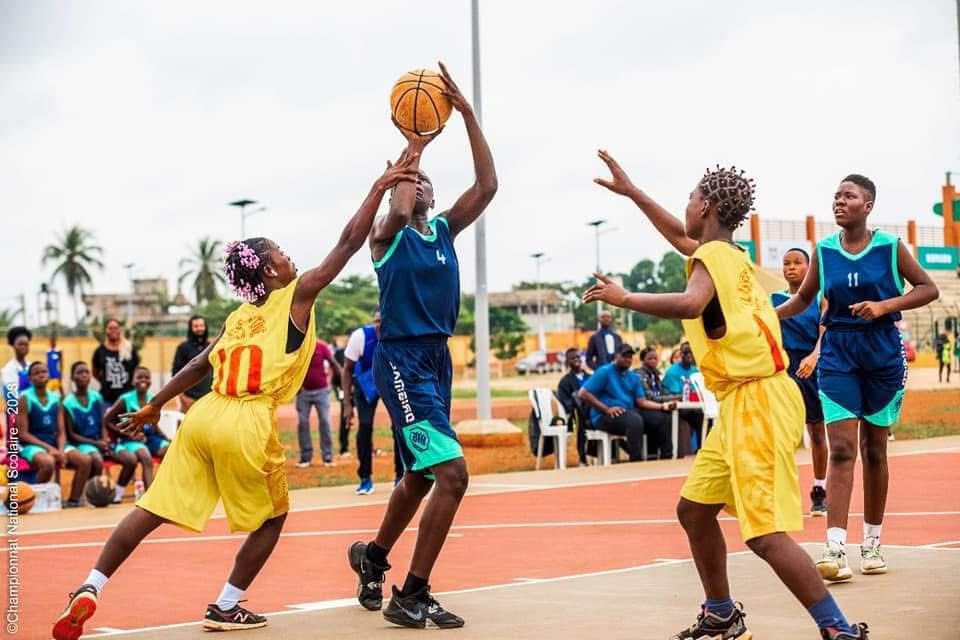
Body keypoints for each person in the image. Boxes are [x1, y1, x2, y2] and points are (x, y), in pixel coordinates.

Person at [52, 152, 420, 640]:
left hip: (203, 416)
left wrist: (155, 405)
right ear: (269, 271)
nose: (291, 258)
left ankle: (91, 583)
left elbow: (198, 364)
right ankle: (226, 605)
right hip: (246, 418)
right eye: (282, 253)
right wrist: (378, 187)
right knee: (273, 517)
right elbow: (350, 242)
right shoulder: (296, 295)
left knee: (151, 508)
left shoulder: (238, 316)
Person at [586, 150, 867, 639]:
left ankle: (838, 630)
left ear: (708, 208)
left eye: (692, 198)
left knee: (763, 534)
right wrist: (632, 192)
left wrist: (625, 297)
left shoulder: (711, 260)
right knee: (693, 510)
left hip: (756, 401)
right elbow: (681, 237)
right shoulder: (732, 258)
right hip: (747, 399)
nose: (687, 206)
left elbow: (692, 301)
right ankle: (721, 612)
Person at [348, 61, 497, 630]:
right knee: (453, 475)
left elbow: (488, 185)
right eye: (411, 180)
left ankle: (373, 558)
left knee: (419, 476)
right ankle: (412, 592)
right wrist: (413, 149)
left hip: (437, 360)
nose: (420, 184)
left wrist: (465, 114)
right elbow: (402, 205)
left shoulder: (444, 231)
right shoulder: (387, 238)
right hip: (403, 361)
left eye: (424, 180)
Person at [776, 174, 938, 584]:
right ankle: (834, 546)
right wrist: (764, 317)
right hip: (839, 354)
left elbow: (928, 288)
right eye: (836, 195)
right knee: (843, 448)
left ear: (868, 206)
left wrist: (885, 305)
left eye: (849, 196)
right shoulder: (824, 252)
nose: (839, 201)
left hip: (882, 351)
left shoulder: (890, 247)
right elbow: (802, 300)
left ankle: (872, 542)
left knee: (876, 450)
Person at [771, 248, 828, 516]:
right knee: (782, 434)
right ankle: (779, 490)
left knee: (816, 431)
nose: (791, 267)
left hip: (812, 366)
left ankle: (820, 489)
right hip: (784, 369)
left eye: (797, 263)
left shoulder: (819, 299)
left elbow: (825, 332)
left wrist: (815, 356)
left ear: (809, 267)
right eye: (786, 263)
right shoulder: (774, 299)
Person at [577, 344, 673, 462]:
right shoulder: (604, 371)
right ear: (616, 356)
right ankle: (635, 461)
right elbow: (583, 393)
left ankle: (666, 459)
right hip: (604, 415)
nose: (628, 359)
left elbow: (641, 402)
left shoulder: (633, 377)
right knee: (634, 420)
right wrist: (607, 409)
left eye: (630, 357)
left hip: (629, 412)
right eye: (624, 356)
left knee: (662, 418)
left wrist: (662, 406)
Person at [18, 362, 92, 508]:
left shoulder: (55, 398)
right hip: (31, 445)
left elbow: (61, 432)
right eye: (37, 373)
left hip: (54, 444)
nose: (41, 375)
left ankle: (73, 501)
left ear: (49, 375)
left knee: (85, 460)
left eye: (44, 371)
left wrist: (60, 449)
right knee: (48, 462)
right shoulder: (24, 398)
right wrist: (50, 449)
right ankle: (32, 500)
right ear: (30, 378)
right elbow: (23, 434)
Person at [341, 310, 391, 492]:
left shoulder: (396, 335)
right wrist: (347, 404)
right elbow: (346, 369)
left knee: (401, 427)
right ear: (372, 321)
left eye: (383, 321)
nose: (379, 325)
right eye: (376, 321)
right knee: (365, 426)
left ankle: (403, 475)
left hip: (390, 382)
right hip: (366, 384)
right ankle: (365, 478)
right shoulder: (360, 336)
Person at [103, 367, 167, 491]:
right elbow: (107, 420)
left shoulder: (153, 398)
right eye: (139, 377)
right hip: (130, 439)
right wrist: (128, 434)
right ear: (133, 381)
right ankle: (150, 496)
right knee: (146, 457)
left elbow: (153, 422)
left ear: (150, 381)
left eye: (146, 377)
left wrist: (164, 436)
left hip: (149, 438)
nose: (143, 380)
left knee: (171, 450)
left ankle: (165, 488)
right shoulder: (125, 399)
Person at [63, 362, 112, 497]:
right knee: (95, 459)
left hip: (95, 442)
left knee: (100, 459)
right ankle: (77, 498)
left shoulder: (96, 397)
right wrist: (97, 444)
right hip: (79, 444)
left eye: (86, 372)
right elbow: (71, 434)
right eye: (79, 373)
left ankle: (93, 495)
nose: (84, 375)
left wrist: (104, 439)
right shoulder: (68, 403)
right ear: (73, 378)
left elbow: (103, 423)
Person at [295, 339, 341, 468]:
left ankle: (327, 456)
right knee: (302, 422)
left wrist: (335, 381)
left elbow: (333, 363)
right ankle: (305, 457)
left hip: (321, 391)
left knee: (325, 422)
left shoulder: (321, 346)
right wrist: (295, 386)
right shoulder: (298, 347)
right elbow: (290, 367)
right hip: (303, 392)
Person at [662, 343, 706, 456]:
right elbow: (675, 393)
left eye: (692, 353)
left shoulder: (695, 371)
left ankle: (703, 450)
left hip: (695, 406)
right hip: (677, 407)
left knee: (704, 415)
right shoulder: (672, 371)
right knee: (697, 415)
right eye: (687, 353)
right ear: (681, 354)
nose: (690, 356)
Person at [635, 346, 677, 459]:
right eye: (650, 358)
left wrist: (673, 397)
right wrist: (672, 398)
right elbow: (650, 397)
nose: (653, 361)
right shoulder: (639, 375)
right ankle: (666, 454)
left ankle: (665, 452)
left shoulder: (656, 375)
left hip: (655, 407)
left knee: (671, 415)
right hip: (643, 408)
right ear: (643, 360)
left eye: (655, 358)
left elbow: (663, 392)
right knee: (663, 417)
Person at [92, 319, 140, 406]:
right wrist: (104, 381)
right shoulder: (99, 351)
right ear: (106, 330)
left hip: (128, 397)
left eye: (116, 328)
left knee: (128, 420)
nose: (113, 330)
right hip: (107, 398)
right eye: (110, 328)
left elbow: (136, 368)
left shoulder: (129, 348)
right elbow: (95, 372)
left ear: (120, 330)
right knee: (109, 419)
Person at [556, 347, 591, 465]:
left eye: (578, 357)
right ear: (567, 362)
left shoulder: (590, 377)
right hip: (577, 414)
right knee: (581, 416)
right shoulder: (565, 382)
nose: (576, 360)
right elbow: (566, 402)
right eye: (572, 358)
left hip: (595, 409)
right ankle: (582, 457)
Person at [172, 315, 212, 412]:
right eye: (196, 326)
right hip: (189, 399)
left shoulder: (211, 346)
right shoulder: (183, 348)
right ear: (191, 328)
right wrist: (182, 397)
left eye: (201, 325)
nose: (199, 329)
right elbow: (176, 373)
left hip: (209, 398)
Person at [330, 339, 352, 458]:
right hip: (342, 388)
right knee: (345, 417)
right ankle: (344, 447)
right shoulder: (339, 353)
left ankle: (369, 447)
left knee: (366, 421)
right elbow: (337, 371)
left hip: (359, 389)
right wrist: (342, 388)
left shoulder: (362, 349)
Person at [2, 326, 31, 395]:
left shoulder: (31, 366)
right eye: (20, 344)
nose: (24, 347)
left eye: (26, 344)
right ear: (13, 345)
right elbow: (12, 399)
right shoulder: (8, 370)